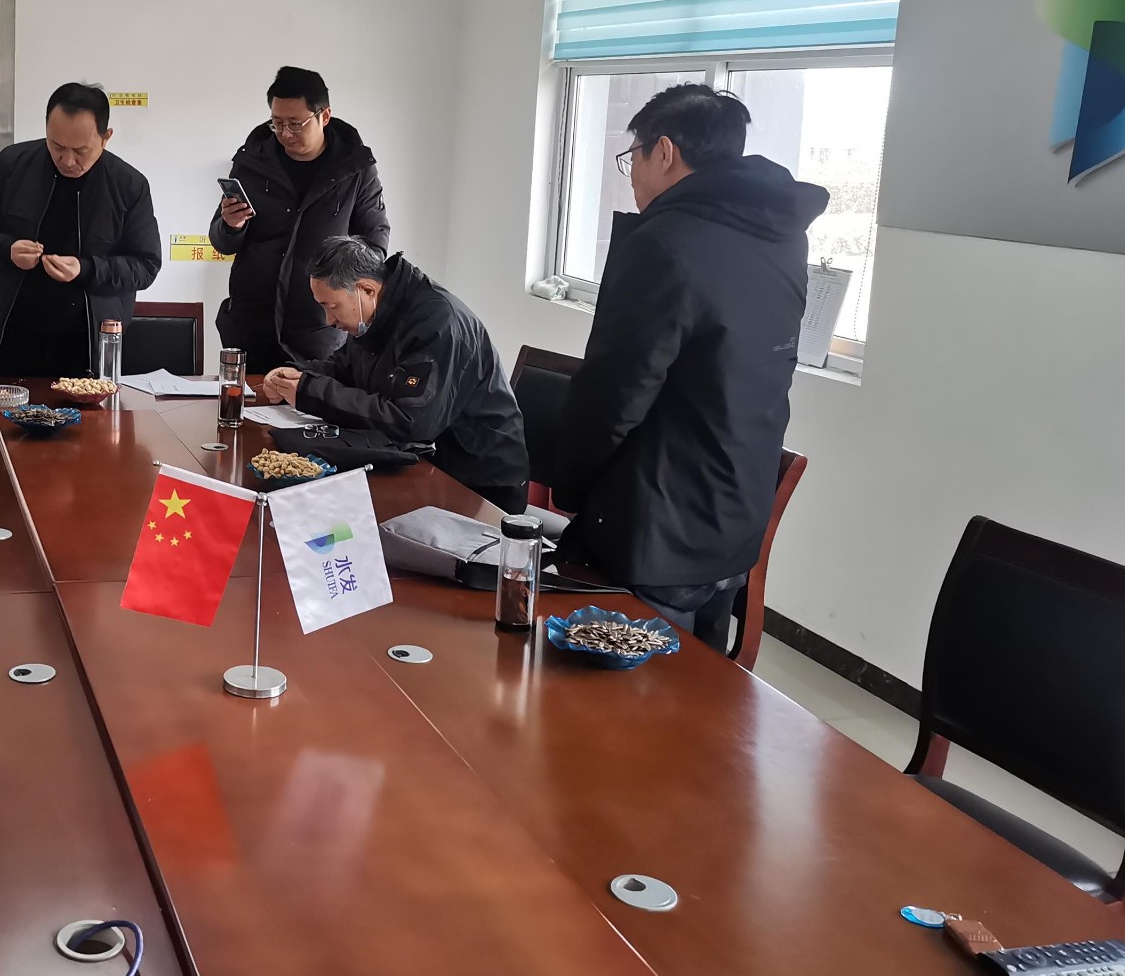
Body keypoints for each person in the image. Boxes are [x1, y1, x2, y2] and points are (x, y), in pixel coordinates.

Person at [551, 84, 828, 651]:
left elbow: (615, 394)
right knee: (699, 688)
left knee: (618, 686)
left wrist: (570, 484)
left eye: (633, 156)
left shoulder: (664, 242)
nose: (632, 174)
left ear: (665, 152)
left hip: (657, 525)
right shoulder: (782, 237)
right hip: (734, 518)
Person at [262, 236, 529, 513]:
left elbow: (410, 422)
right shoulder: (376, 313)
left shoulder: (438, 323)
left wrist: (309, 391)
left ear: (366, 289)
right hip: (420, 463)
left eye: (331, 306)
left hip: (476, 484)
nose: (329, 321)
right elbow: (344, 368)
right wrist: (298, 375)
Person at [0, 82, 161, 379]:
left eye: (80, 151)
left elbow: (145, 265)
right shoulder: (12, 164)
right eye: (56, 146)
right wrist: (7, 250)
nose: (67, 160)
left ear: (106, 137)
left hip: (88, 344)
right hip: (13, 338)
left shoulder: (128, 185)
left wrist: (86, 269)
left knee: (85, 412)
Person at [208, 66, 390, 372]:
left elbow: (375, 245)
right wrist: (231, 225)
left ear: (324, 116)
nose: (285, 134)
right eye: (277, 123)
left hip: (319, 328)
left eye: (295, 124)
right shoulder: (253, 161)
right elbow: (222, 241)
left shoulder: (355, 169)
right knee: (242, 401)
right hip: (251, 324)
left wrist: (338, 281)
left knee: (312, 402)